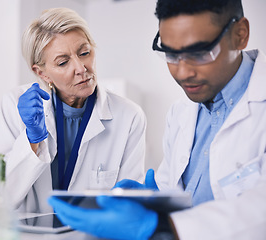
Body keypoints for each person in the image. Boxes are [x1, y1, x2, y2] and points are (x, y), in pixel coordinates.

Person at [48, 0, 266, 239]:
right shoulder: (181, 112)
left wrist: (162, 227)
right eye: (171, 54)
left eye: (200, 53)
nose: (182, 73)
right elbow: (172, 189)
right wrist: (154, 200)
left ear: (240, 35)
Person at [0, 7, 147, 213]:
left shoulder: (129, 117)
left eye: (85, 53)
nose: (81, 68)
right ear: (41, 72)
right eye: (63, 62)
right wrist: (31, 140)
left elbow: (127, 205)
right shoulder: (14, 105)